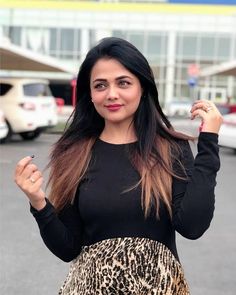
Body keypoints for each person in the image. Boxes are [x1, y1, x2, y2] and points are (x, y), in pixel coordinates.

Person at [14, 37, 223, 295]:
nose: (111, 94)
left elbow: (193, 226)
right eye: (100, 85)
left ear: (142, 88)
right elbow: (68, 248)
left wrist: (209, 143)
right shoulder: (73, 154)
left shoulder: (171, 148)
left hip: (159, 288)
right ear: (90, 94)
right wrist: (38, 202)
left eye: (123, 82)